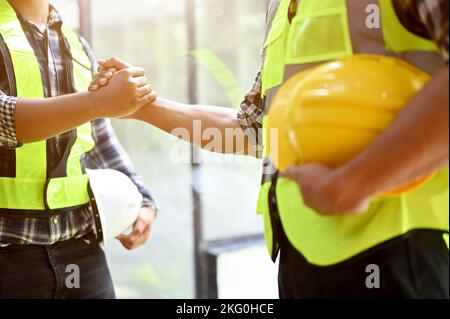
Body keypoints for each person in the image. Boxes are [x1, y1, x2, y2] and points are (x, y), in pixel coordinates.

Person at [93, 0, 449, 298]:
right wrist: (145, 108)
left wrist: (353, 185)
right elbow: (258, 133)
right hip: (302, 258)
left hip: (401, 250)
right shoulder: (282, 7)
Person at [0, 0, 158, 299]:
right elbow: (4, 119)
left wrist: (143, 198)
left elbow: (97, 136)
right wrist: (100, 102)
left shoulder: (77, 45)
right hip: (8, 253)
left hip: (81, 251)